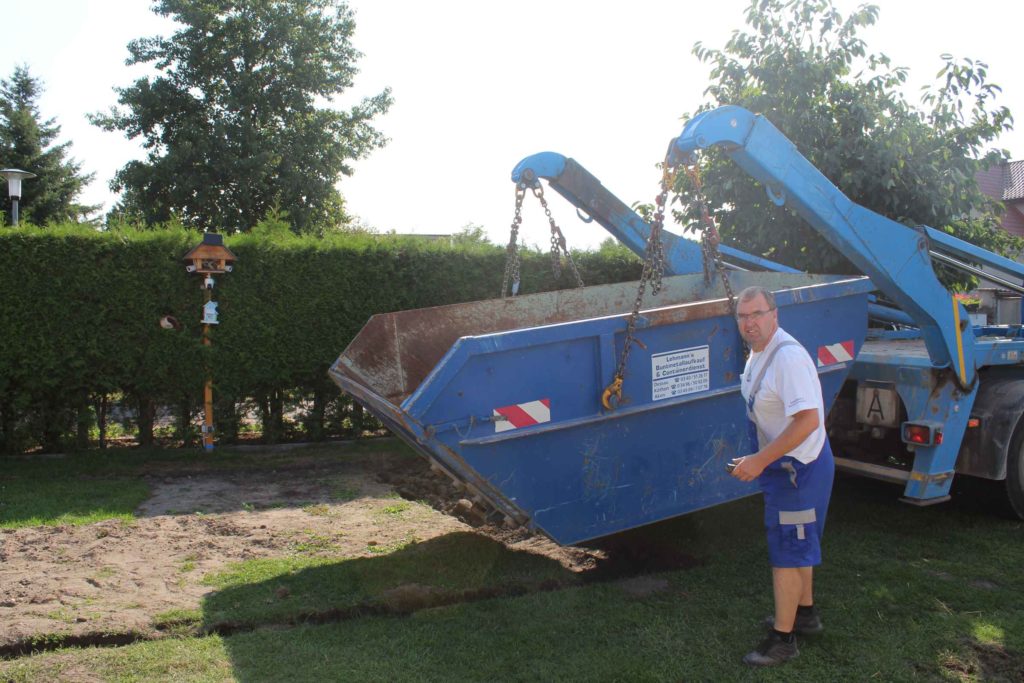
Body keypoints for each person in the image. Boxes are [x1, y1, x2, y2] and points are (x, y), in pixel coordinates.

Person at [729, 285, 835, 667]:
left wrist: (761, 459)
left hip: (798, 472)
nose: (750, 323)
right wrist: (761, 458)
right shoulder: (760, 354)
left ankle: (783, 640)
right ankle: (804, 615)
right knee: (798, 545)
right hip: (786, 466)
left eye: (757, 314)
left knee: (787, 555)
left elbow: (809, 420)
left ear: (774, 314)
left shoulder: (786, 358)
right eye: (743, 316)